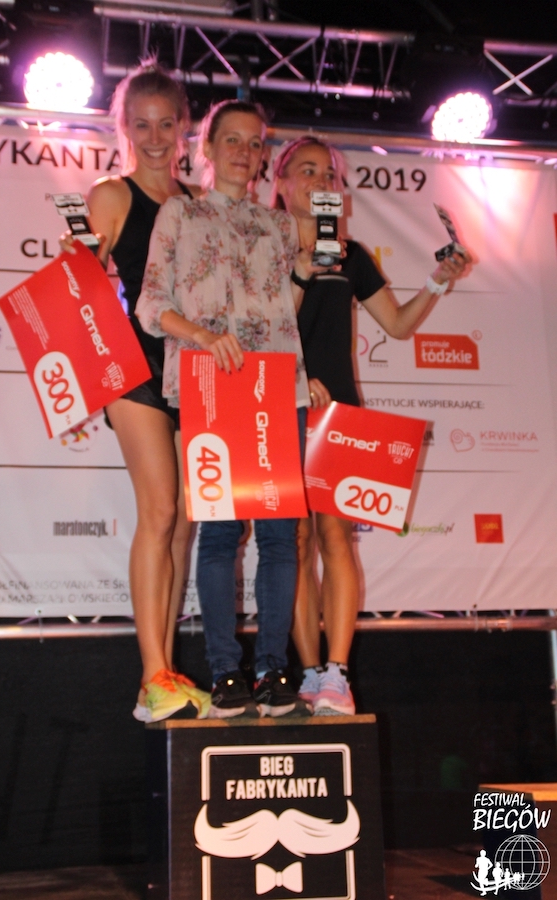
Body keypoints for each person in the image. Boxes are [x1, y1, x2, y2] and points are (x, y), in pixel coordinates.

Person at [136, 100, 322, 718]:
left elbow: (283, 308)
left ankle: (272, 668)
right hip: (210, 385)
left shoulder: (279, 226)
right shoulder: (180, 213)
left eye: (254, 142)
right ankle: (224, 671)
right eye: (232, 140)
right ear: (207, 148)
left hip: (278, 388)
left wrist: (305, 269)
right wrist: (201, 336)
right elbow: (150, 304)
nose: (244, 152)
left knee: (280, 535)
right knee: (218, 533)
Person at [273, 136, 471, 715]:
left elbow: (400, 326)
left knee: (334, 538)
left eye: (329, 174)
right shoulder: (260, 247)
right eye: (306, 171)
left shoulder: (350, 254)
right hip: (280, 406)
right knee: (294, 543)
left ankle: (337, 675)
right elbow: (261, 326)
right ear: (280, 183)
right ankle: (309, 672)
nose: (320, 182)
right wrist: (296, 374)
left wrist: (439, 279)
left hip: (340, 412)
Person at [61, 61, 210, 722]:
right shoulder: (112, 195)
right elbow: (83, 286)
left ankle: (166, 671)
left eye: (166, 125)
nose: (154, 139)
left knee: (184, 525)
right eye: (141, 125)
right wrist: (77, 260)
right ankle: (152, 677)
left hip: (194, 373)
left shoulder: (201, 203)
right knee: (159, 511)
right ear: (123, 128)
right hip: (133, 371)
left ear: (184, 129)